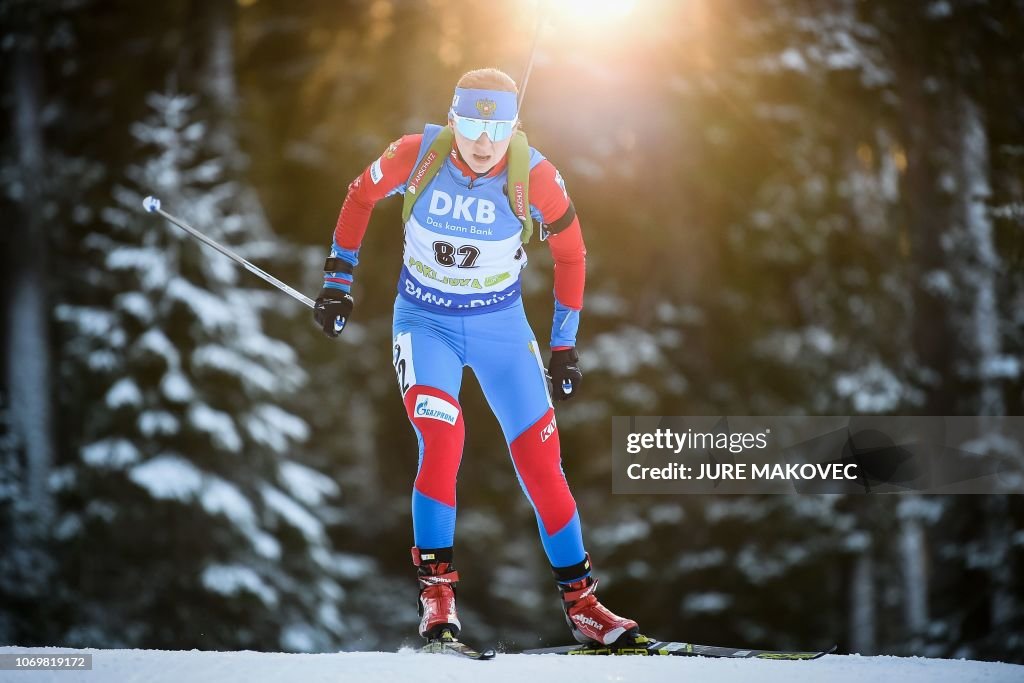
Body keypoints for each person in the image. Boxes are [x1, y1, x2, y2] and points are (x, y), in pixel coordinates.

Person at [313, 67, 638, 646]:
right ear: (452, 116)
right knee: (443, 435)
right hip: (424, 324)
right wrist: (339, 278)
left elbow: (572, 255)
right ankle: (437, 594)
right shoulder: (416, 154)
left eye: (497, 127)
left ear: (514, 124)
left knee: (543, 463)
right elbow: (360, 194)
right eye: (469, 123)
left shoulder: (533, 175)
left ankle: (584, 604)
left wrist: (564, 344)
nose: (483, 143)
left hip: (502, 329)